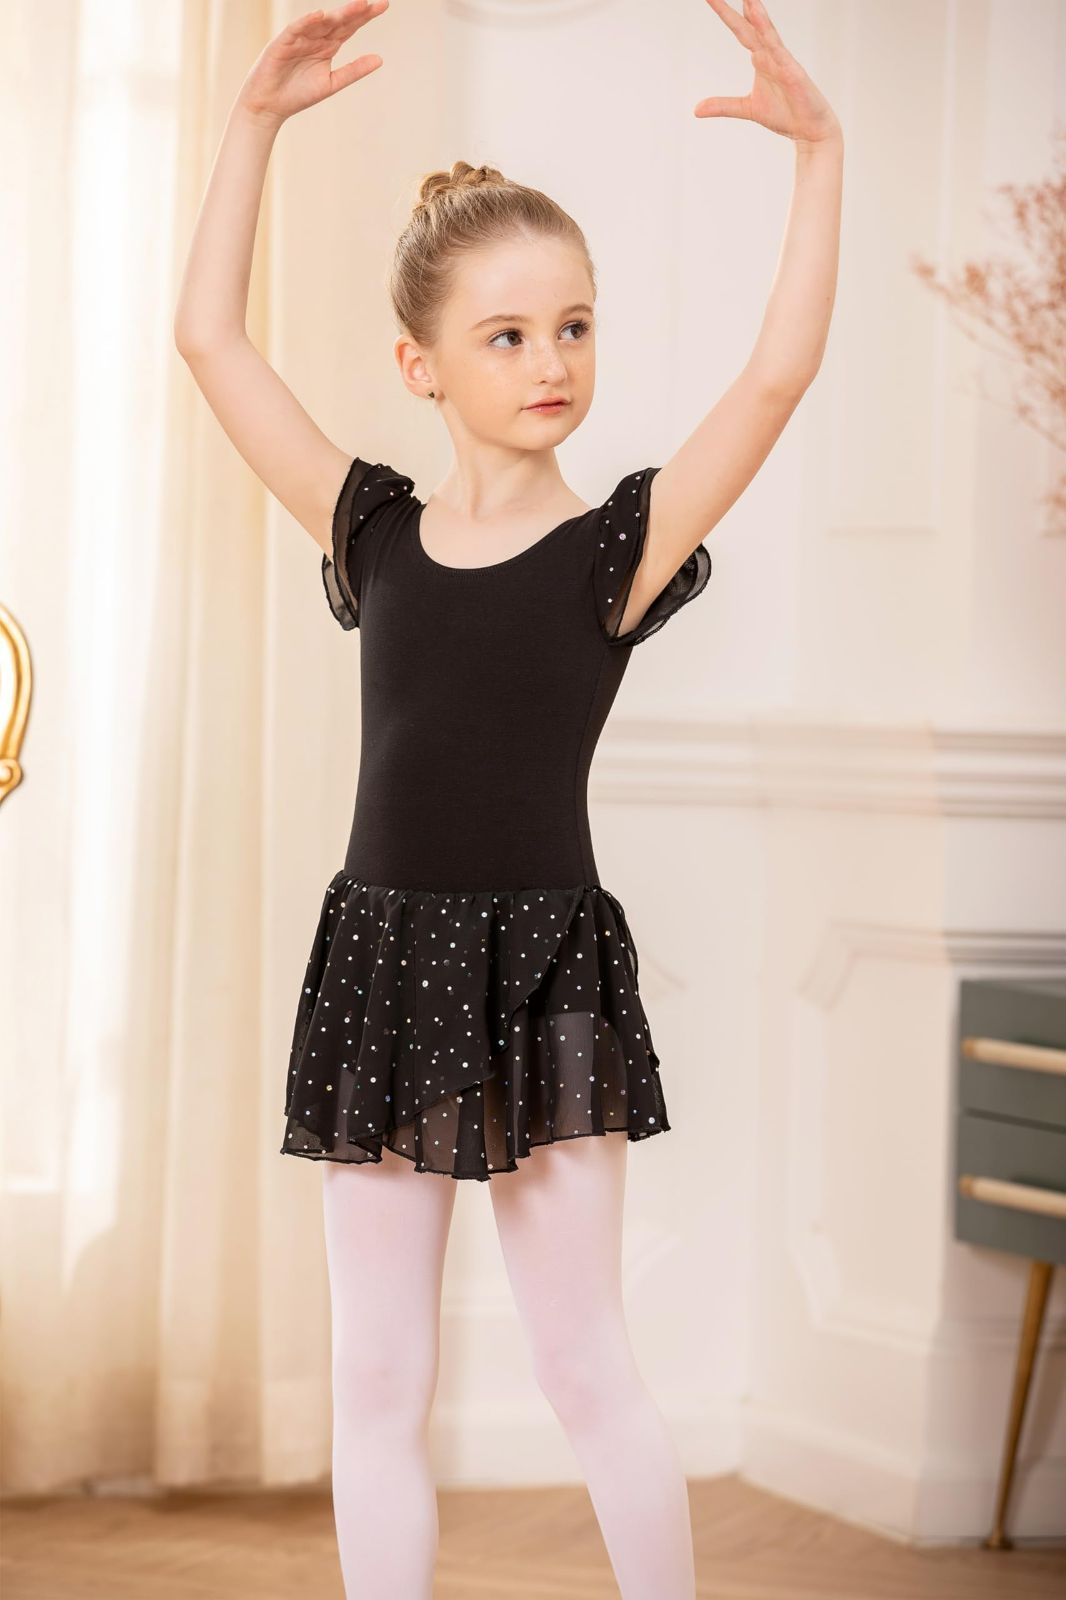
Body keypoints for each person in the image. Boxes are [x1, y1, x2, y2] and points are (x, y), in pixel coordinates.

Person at [173, 2, 843, 1594]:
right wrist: (252, 122)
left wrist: (819, 152)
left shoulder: (619, 549)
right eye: (507, 335)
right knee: (375, 1381)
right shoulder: (371, 531)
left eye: (574, 327)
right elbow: (210, 342)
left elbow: (775, 377)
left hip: (544, 974)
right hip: (382, 962)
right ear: (417, 364)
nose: (551, 362)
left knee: (582, 1363)